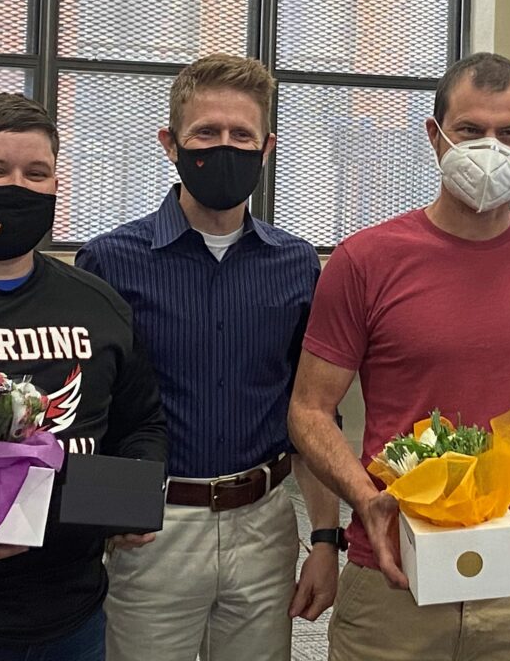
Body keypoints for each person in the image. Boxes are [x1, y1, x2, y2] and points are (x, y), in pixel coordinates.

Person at [288, 52, 510, 661]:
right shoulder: (365, 260)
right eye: (470, 130)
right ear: (435, 137)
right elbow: (307, 409)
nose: (490, 147)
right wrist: (366, 498)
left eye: (508, 133)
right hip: (393, 577)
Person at [77, 53, 339, 661]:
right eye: (207, 133)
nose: (225, 147)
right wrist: (105, 527)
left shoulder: (297, 264)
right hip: (151, 529)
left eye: (241, 135)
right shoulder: (110, 260)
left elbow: (312, 412)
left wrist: (323, 537)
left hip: (266, 522)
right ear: (170, 143)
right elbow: (90, 405)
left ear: (267, 146)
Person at [0, 92, 167, 660]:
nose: (17, 187)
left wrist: (132, 497)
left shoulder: (99, 305)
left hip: (71, 619)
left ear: (54, 187)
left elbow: (141, 422)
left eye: (36, 173)